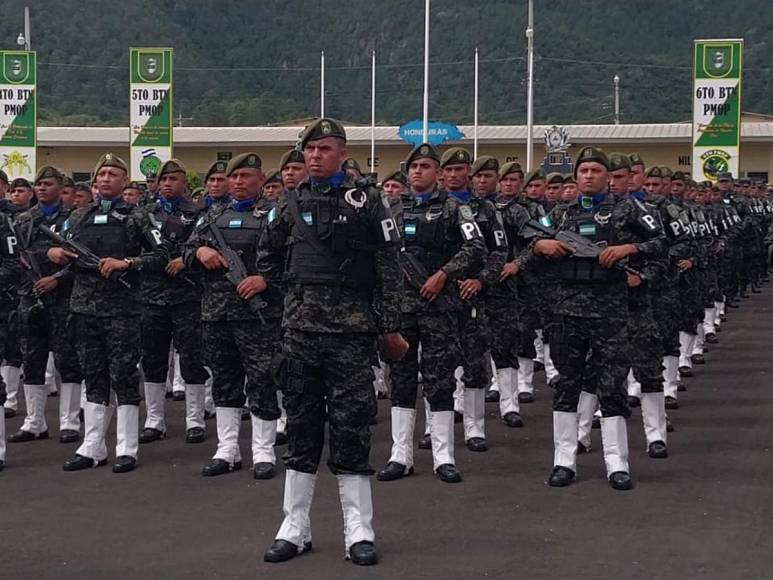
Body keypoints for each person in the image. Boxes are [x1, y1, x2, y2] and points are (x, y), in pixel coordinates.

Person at [259, 118, 406, 566]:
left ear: (342, 153)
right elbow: (266, 257)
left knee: (351, 429)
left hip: (349, 336)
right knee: (301, 429)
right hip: (300, 336)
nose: (315, 156)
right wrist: (292, 306)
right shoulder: (289, 203)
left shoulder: (369, 202)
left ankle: (358, 529)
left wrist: (388, 327)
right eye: (309, 150)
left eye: (324, 149)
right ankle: (294, 526)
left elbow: (388, 267)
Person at [534, 146, 664, 491]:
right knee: (566, 384)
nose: (589, 176)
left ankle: (616, 462)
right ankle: (564, 460)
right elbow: (531, 236)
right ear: (575, 177)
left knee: (612, 386)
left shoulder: (628, 210)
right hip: (567, 310)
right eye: (583, 171)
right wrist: (539, 246)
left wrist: (629, 249)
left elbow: (661, 242)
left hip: (609, 310)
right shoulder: (559, 214)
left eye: (596, 170)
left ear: (608, 177)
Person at [48, 153, 169, 474]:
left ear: (125, 181)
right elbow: (62, 250)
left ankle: (127, 446)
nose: (105, 179)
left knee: (125, 375)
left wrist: (128, 263)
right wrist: (54, 253)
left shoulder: (138, 216)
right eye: (101, 174)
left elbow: (162, 254)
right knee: (93, 375)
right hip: (84, 307)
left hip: (123, 310)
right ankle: (92, 445)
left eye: (113, 174)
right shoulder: (78, 216)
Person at [377, 143, 485, 485]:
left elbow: (475, 246)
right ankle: (400, 455)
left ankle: (443, 457)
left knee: (439, 380)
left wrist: (444, 274)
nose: (418, 171)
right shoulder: (391, 209)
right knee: (402, 380)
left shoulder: (455, 209)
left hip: (439, 306)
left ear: (438, 173)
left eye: (425, 166)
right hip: (402, 308)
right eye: (413, 166)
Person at [185, 152, 286, 479]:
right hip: (217, 313)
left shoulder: (276, 216)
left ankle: (263, 450)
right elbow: (185, 253)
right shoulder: (211, 217)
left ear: (260, 181)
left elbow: (296, 260)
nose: (239, 182)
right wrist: (200, 251)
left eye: (246, 176)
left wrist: (265, 281)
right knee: (225, 381)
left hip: (259, 315)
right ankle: (227, 449)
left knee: (262, 380)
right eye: (234, 177)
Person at [7, 167, 83, 445]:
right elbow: (17, 256)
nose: (42, 188)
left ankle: (69, 422)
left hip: (63, 297)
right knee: (32, 358)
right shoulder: (25, 219)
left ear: (60, 188)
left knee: (68, 360)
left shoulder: (75, 218)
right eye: (38, 183)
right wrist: (44, 254)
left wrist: (58, 278)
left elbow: (83, 259)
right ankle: (34, 421)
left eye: (48, 184)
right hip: (31, 296)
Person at [138, 159, 211, 446]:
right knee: (153, 358)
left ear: (185, 183)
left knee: (192, 358)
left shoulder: (198, 213)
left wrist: (186, 259)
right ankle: (154, 420)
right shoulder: (143, 214)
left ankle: (194, 419)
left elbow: (206, 246)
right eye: (164, 179)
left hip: (186, 295)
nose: (168, 183)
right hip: (152, 296)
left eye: (174, 178)